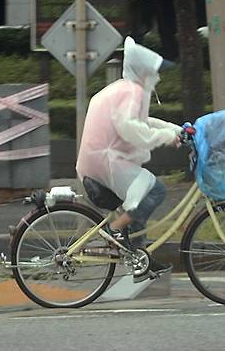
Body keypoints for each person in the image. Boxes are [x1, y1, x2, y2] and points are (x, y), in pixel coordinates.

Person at [76, 36, 180, 281]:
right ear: (144, 71)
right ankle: (113, 231)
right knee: (155, 191)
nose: (158, 77)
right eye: (155, 71)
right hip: (106, 162)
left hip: (99, 161)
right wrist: (166, 136)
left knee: (141, 198)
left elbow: (143, 122)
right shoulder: (132, 91)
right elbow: (130, 128)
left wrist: (176, 131)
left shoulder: (125, 89)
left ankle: (140, 259)